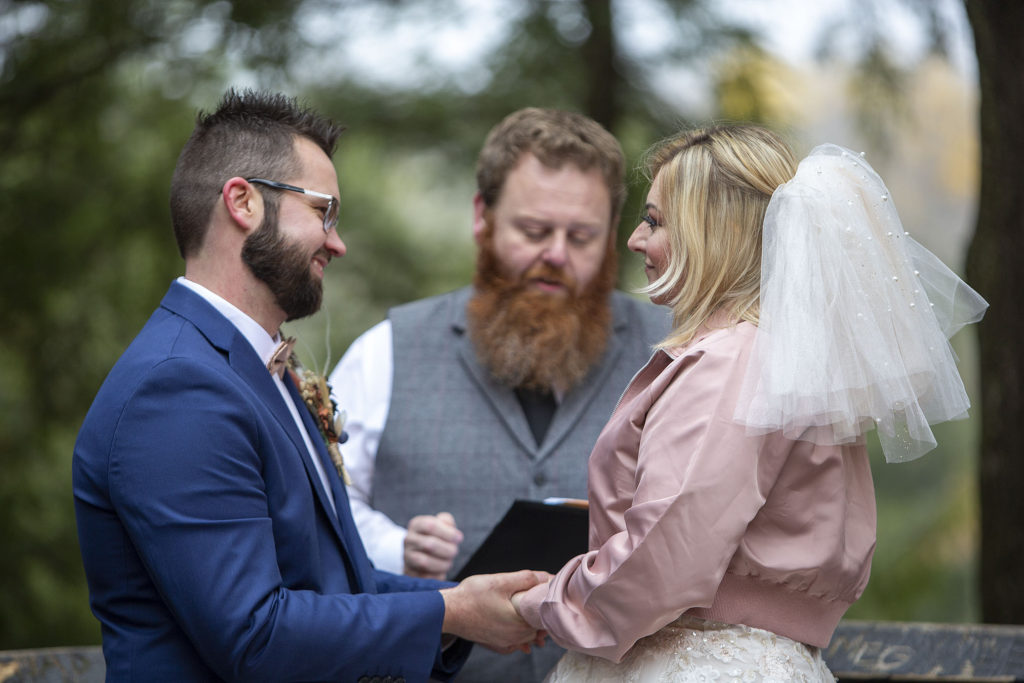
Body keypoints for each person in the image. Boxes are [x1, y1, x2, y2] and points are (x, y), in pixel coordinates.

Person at [72, 88, 548, 683]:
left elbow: (334, 580)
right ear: (242, 201)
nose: (337, 241)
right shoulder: (175, 389)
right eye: (324, 211)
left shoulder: (261, 370)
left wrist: (467, 607)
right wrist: (447, 609)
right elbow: (255, 635)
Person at [511, 125, 988, 681]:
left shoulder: (729, 362)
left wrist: (548, 601)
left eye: (655, 221)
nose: (635, 240)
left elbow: (664, 551)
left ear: (714, 231)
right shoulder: (790, 360)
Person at [328, 108, 669, 681]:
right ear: (482, 217)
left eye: (582, 236)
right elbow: (320, 508)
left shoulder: (673, 355)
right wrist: (396, 548)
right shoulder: (385, 350)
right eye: (534, 231)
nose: (557, 255)